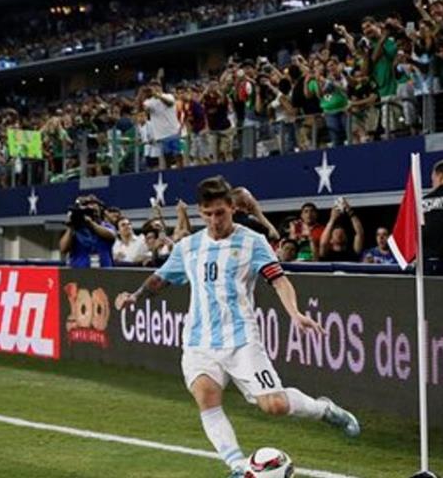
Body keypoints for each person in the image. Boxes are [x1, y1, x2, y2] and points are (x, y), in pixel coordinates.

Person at [115, 176, 360, 478]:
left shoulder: (252, 242)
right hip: (198, 341)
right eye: (207, 214)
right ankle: (237, 466)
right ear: (200, 213)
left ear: (232, 208)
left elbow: (278, 279)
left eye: (220, 213)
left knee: (274, 405)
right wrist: (135, 296)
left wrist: (294, 312)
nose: (214, 220)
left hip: (242, 340)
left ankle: (325, 410)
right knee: (206, 396)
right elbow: (161, 278)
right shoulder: (188, 247)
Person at [59, 195, 117, 268]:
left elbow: (111, 235)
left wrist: (91, 223)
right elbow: (63, 248)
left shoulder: (106, 225)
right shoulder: (77, 229)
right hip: (78, 271)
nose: (90, 207)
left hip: (103, 272)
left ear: (100, 209)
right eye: (87, 205)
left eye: (93, 205)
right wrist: (72, 226)